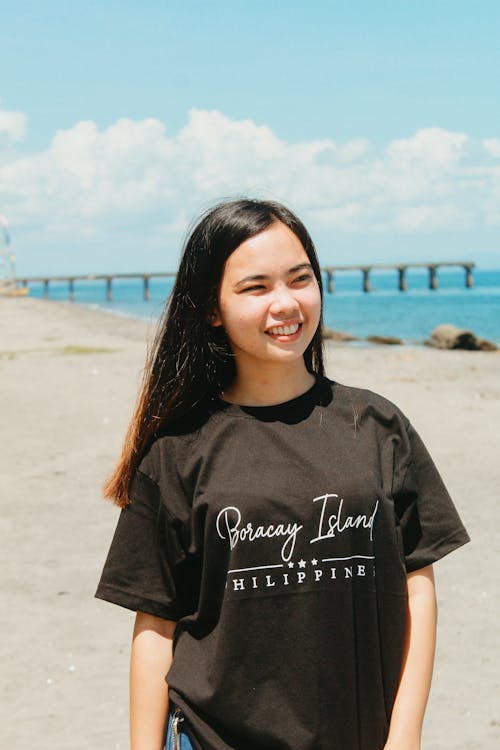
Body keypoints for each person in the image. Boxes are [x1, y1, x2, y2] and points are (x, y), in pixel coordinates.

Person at [95, 198, 470, 750]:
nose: (286, 303)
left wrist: (405, 734)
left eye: (300, 280)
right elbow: (155, 628)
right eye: (256, 288)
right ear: (211, 308)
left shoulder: (377, 425)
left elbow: (418, 586)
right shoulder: (177, 452)